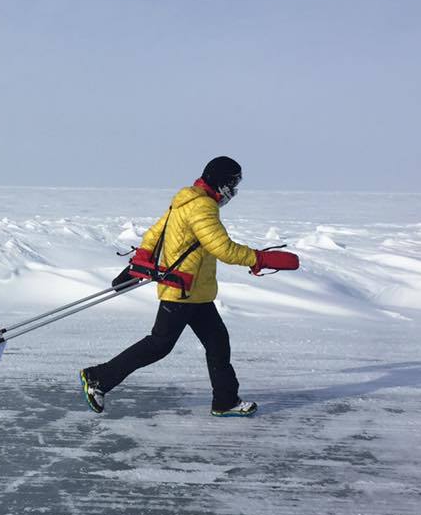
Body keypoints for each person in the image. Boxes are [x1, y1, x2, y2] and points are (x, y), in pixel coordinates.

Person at [79, 156, 298, 417]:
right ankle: (98, 378)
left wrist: (142, 258)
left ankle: (225, 401)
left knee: (218, 342)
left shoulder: (186, 199)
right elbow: (222, 248)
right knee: (159, 345)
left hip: (196, 292)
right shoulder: (202, 207)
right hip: (181, 290)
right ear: (221, 182)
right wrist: (259, 259)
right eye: (233, 183)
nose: (235, 190)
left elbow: (154, 234)